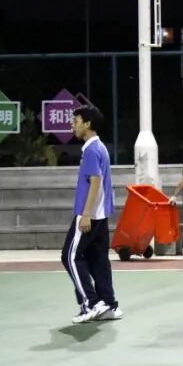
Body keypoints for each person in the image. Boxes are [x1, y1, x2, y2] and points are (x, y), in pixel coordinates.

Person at [61, 105, 121, 323]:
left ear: (87, 124)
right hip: (100, 215)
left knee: (69, 256)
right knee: (98, 260)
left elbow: (95, 182)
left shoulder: (90, 150)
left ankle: (91, 304)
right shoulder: (100, 147)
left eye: (76, 121)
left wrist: (86, 214)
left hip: (89, 214)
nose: (72, 125)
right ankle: (109, 305)